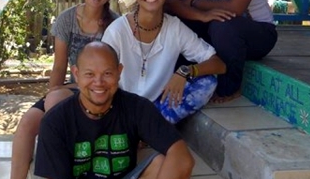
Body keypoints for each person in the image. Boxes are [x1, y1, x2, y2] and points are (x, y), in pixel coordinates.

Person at [10, 0, 120, 179]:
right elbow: (59, 65)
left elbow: (113, 73)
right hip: (70, 86)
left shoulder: (115, 24)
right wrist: (53, 91)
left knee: (56, 107)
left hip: (98, 90)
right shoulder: (67, 19)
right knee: (26, 125)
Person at [34, 41, 194, 179]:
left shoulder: (137, 107)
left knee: (160, 163)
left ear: (119, 72)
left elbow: (182, 158)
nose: (98, 82)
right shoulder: (55, 122)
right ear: (76, 74)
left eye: (107, 73)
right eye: (89, 74)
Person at [101, 0, 226, 124]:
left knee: (207, 82)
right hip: (121, 106)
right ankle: (141, 131)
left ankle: (151, 130)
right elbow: (102, 79)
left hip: (157, 108)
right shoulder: (117, 31)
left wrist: (185, 71)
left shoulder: (174, 27)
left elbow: (218, 65)